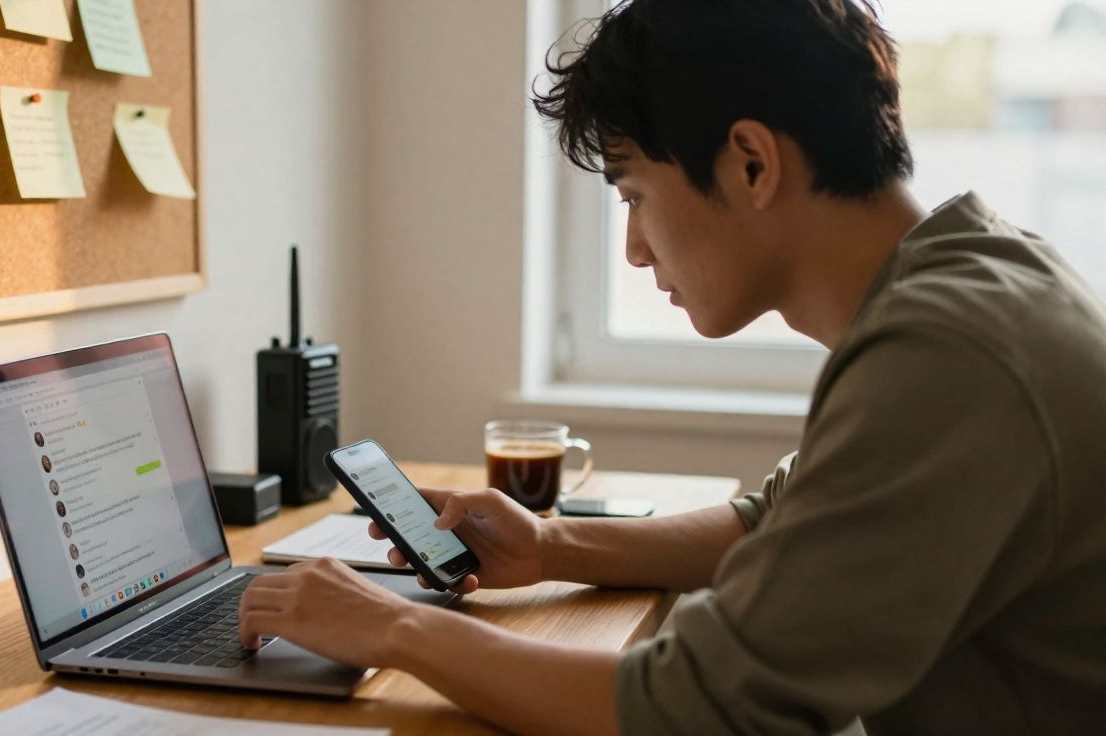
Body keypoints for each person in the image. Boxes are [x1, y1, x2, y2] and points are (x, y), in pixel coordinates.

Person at [238, 1, 1106, 733]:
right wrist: (549, 543)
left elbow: (695, 708)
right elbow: (778, 520)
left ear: (752, 163)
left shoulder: (949, 358)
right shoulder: (978, 279)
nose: (635, 249)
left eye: (636, 198)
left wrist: (393, 627)